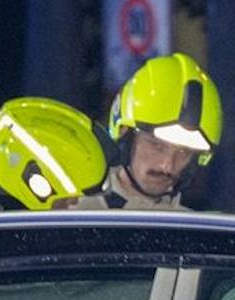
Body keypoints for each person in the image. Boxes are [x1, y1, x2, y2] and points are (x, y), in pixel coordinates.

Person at [83, 51, 221, 209]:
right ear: (123, 134)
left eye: (183, 152)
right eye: (157, 146)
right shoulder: (74, 216)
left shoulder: (200, 230)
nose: (167, 166)